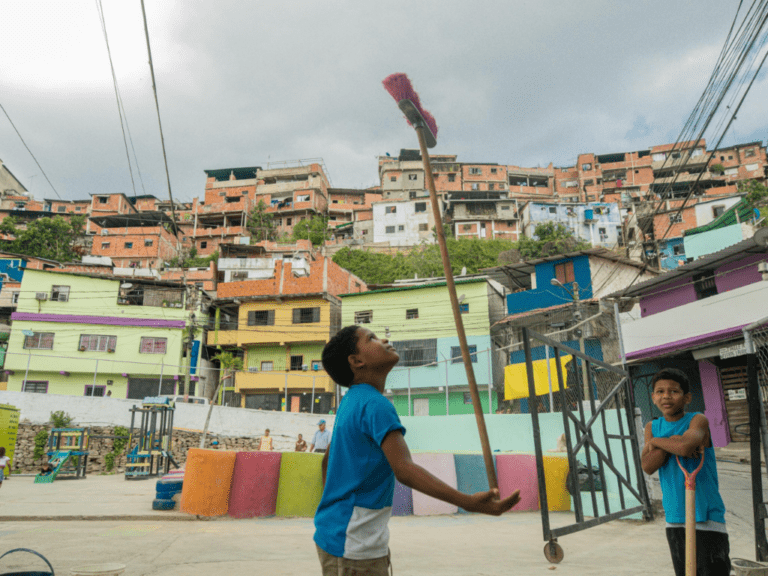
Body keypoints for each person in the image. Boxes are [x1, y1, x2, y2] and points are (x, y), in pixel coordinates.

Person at [314, 326, 521, 575]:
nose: (385, 340)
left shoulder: (351, 400)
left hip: (341, 535)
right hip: (353, 545)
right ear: (356, 361)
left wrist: (334, 508)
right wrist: (468, 502)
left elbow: (327, 462)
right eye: (372, 338)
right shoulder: (375, 405)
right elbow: (404, 470)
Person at [641, 368, 730, 576]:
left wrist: (656, 443)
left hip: (707, 517)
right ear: (653, 397)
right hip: (675, 517)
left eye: (673, 391)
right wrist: (668, 442)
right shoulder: (652, 427)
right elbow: (648, 465)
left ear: (687, 397)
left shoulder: (697, 420)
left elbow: (684, 448)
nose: (666, 396)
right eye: (660, 391)